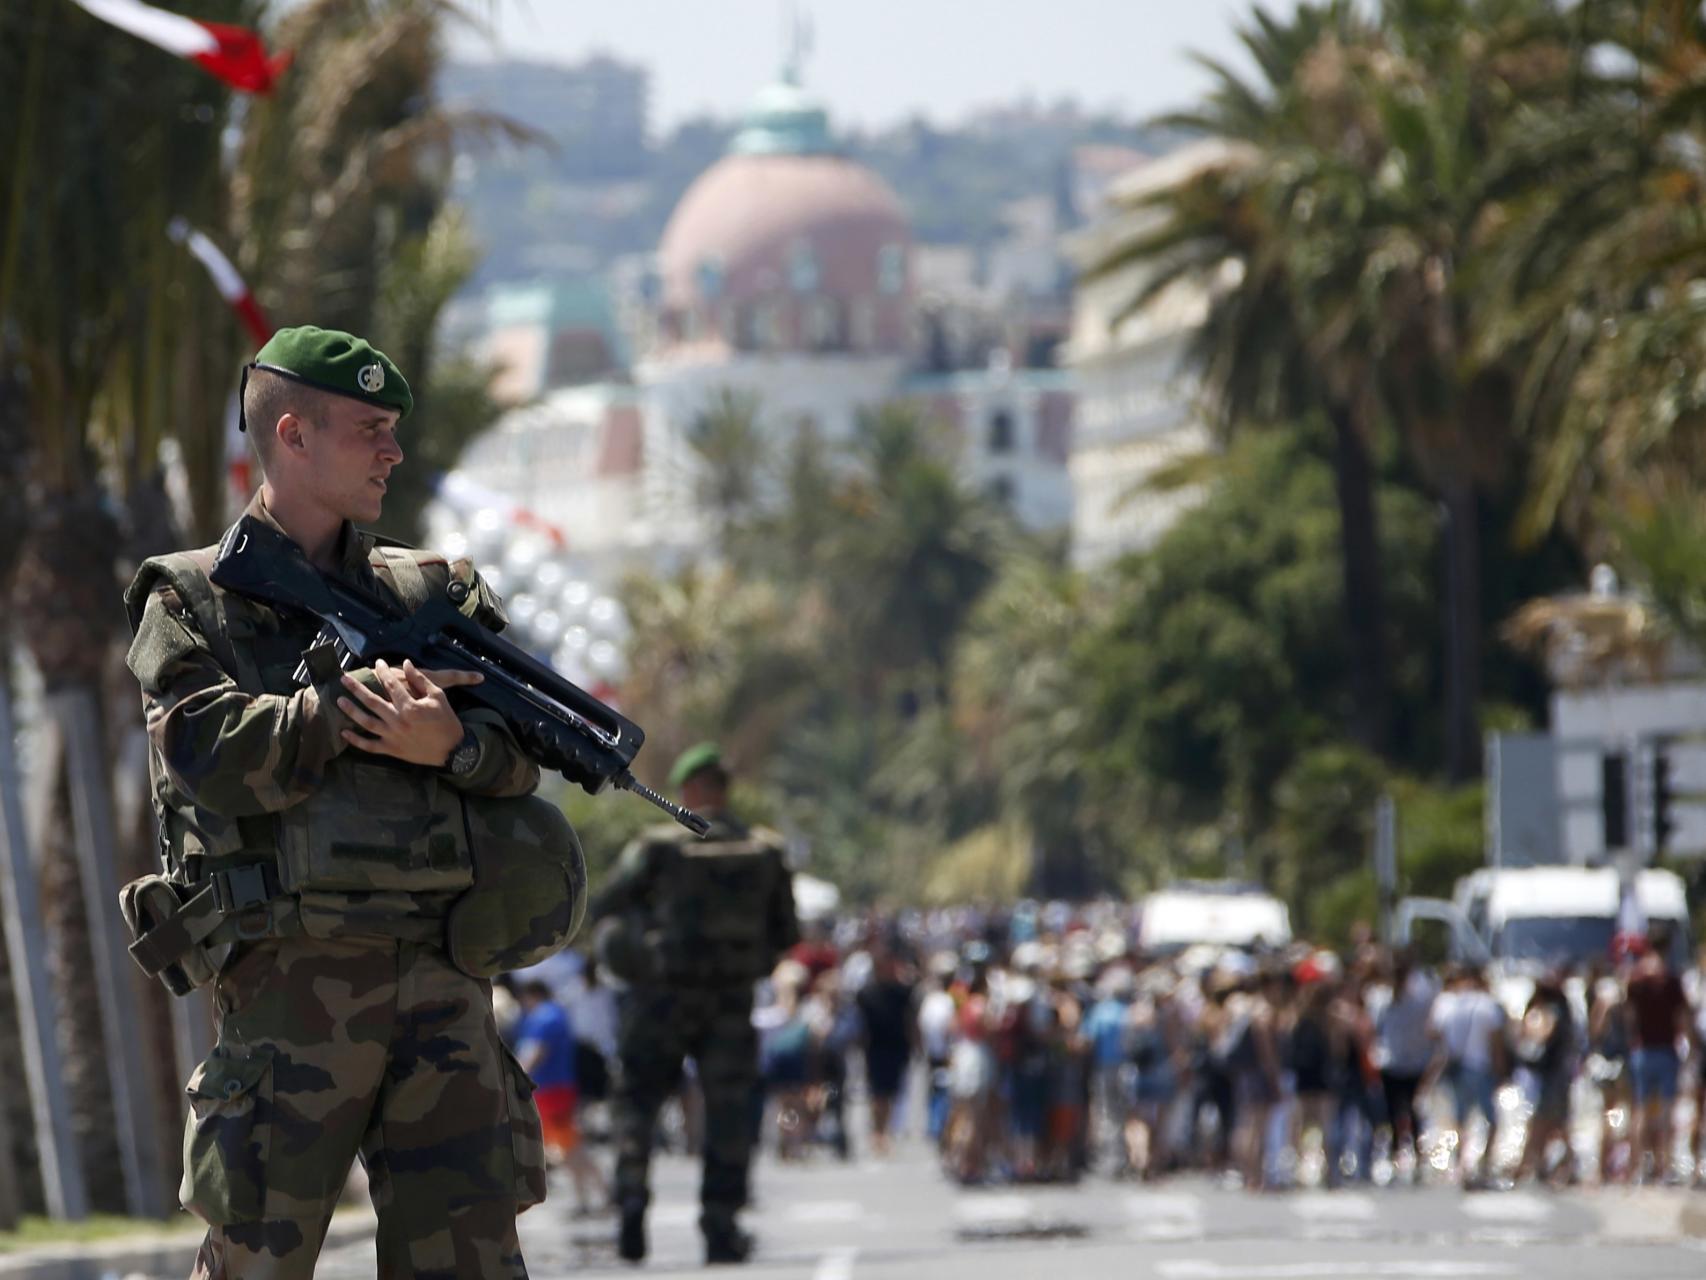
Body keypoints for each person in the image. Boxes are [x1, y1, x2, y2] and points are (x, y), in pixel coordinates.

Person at [123, 327, 548, 1279]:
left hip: (444, 981)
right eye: (369, 428)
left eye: (394, 428)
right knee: (255, 1265)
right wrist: (348, 713)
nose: (393, 450)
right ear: (294, 434)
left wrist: (456, 745)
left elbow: (523, 755)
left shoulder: (435, 591)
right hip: (287, 986)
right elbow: (208, 752)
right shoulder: (191, 598)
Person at [589, 743, 799, 1265]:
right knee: (727, 1111)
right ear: (724, 790)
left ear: (690, 789)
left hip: (659, 998)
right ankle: (721, 1224)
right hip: (729, 1000)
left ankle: (633, 1198)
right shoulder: (765, 850)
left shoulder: (658, 846)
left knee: (636, 1101)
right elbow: (787, 933)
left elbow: (607, 905)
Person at [514, 980, 610, 1215]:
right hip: (558, 1089)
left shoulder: (544, 1017)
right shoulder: (555, 1014)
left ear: (531, 995)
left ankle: (603, 1194)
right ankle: (590, 1198)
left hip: (552, 1091)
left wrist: (516, 1078)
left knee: (571, 1147)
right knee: (569, 1147)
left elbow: (536, 1052)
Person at [1626, 926, 1693, 1183]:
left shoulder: (1636, 978)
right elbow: (1682, 1018)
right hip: (1666, 1048)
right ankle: (1663, 1167)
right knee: (1666, 1110)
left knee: (1640, 1109)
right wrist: (1690, 1046)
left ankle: (1639, 1169)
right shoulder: (1671, 979)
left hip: (1641, 1049)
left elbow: (1629, 1017)